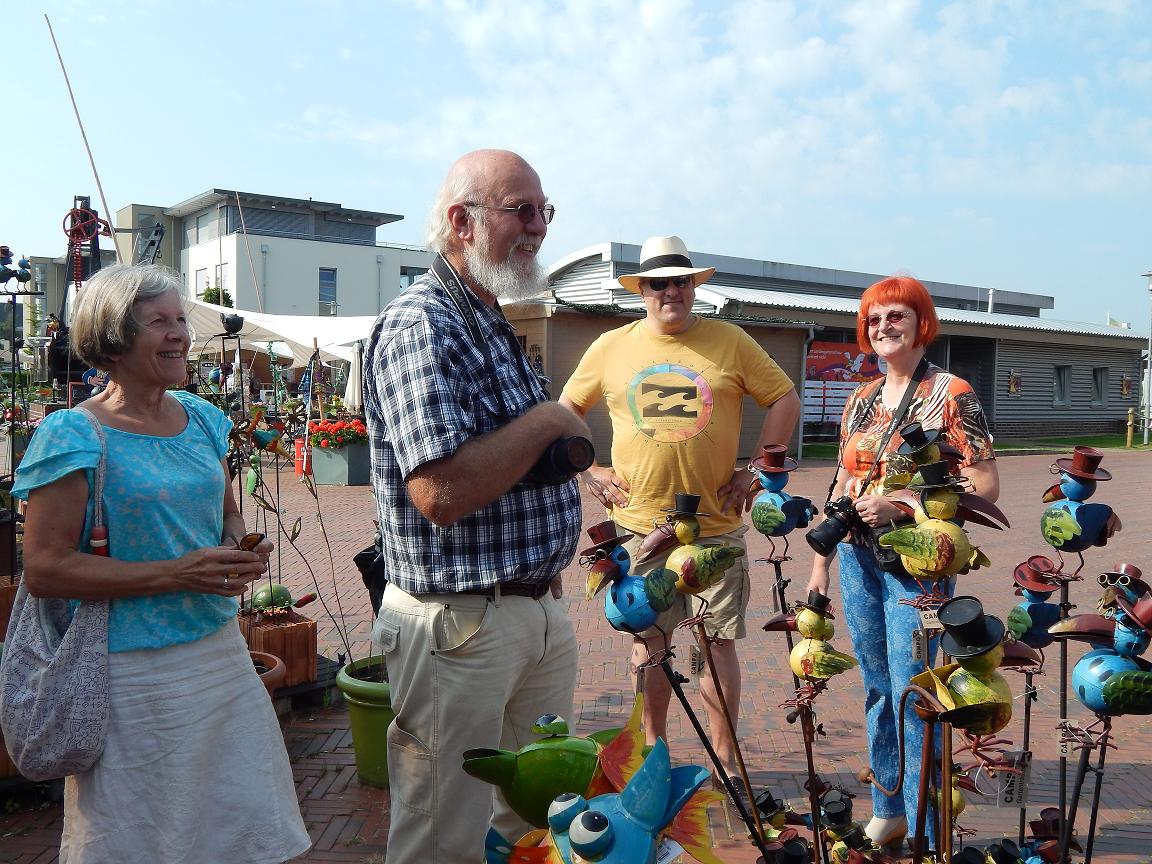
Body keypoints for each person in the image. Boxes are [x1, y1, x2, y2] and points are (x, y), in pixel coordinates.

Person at [13, 264, 310, 863]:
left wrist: (236, 549)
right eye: (159, 322)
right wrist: (177, 573)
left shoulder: (201, 419)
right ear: (113, 339)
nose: (179, 333)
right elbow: (44, 569)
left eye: (180, 320)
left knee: (238, 820)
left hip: (219, 657)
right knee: (139, 836)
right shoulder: (74, 433)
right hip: (129, 674)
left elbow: (226, 511)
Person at [363, 149, 589, 864]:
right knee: (442, 837)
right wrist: (551, 421)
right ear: (461, 221)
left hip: (524, 610)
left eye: (543, 211)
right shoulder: (422, 324)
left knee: (533, 818)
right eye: (521, 210)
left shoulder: (489, 317)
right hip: (459, 626)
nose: (538, 228)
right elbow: (441, 493)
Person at [560, 234, 801, 794]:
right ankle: (652, 749)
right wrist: (589, 470)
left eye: (681, 281)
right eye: (658, 283)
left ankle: (726, 759)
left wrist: (759, 471)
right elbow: (566, 409)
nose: (671, 291)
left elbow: (784, 398)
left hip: (716, 528)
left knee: (718, 644)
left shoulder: (731, 341)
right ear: (640, 290)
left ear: (694, 286)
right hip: (642, 528)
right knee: (651, 644)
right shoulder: (610, 346)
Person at [806, 275, 999, 852]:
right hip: (857, 559)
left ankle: (923, 824)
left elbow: (984, 484)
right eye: (873, 320)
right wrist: (820, 563)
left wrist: (905, 503)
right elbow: (845, 479)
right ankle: (888, 807)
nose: (882, 328)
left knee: (915, 689)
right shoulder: (859, 399)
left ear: (921, 325)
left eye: (896, 317)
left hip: (916, 567)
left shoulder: (951, 393)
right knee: (875, 688)